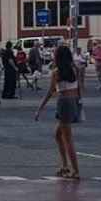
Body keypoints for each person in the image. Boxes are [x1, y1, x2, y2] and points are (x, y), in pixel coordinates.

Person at [36, 45, 82, 180]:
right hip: (73, 101)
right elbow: (79, 88)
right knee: (58, 135)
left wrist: (40, 109)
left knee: (68, 140)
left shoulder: (57, 72)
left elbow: (50, 92)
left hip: (64, 102)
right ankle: (65, 166)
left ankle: (75, 170)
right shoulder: (75, 69)